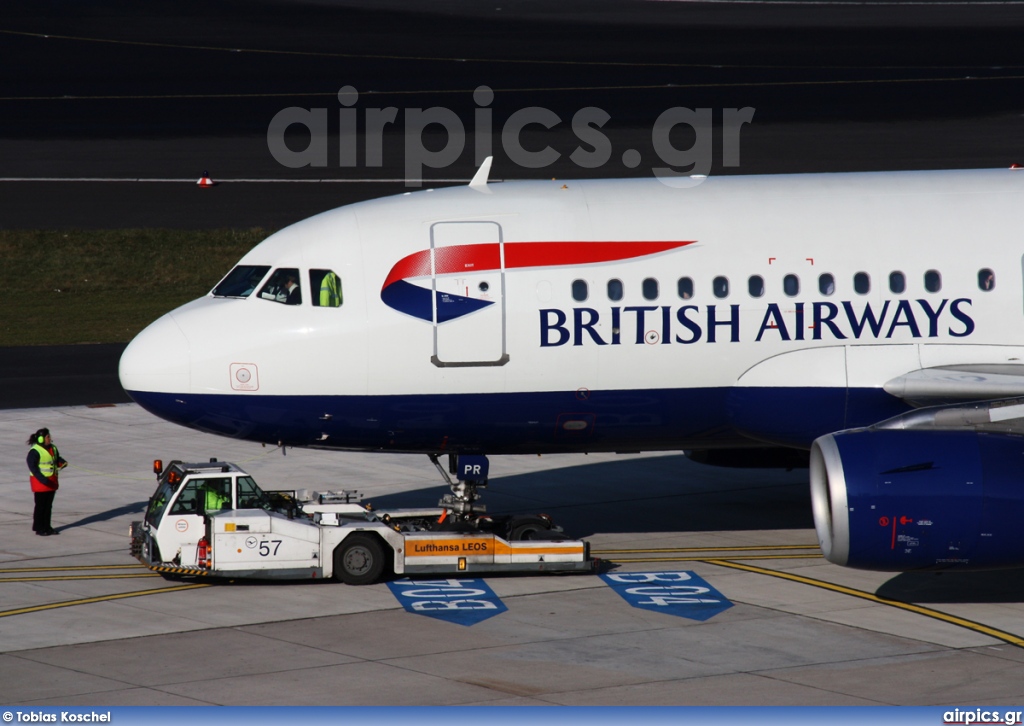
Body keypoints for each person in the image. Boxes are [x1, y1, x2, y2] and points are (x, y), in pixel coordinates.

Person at [26, 428, 67, 536]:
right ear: (41, 439)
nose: (50, 438)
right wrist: (42, 479)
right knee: (40, 506)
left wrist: (62, 462)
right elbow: (33, 467)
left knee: (48, 506)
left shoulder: (53, 448)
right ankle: (39, 528)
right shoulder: (35, 451)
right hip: (41, 483)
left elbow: (56, 459)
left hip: (51, 481)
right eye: (48, 437)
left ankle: (47, 527)